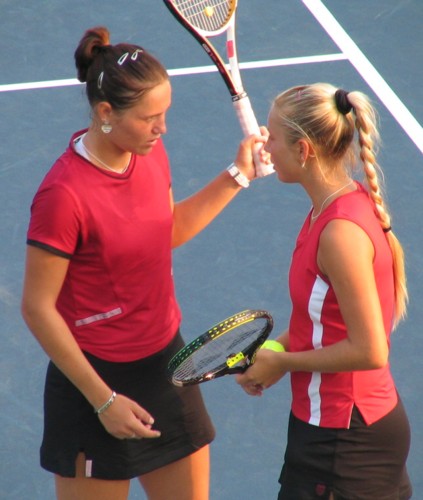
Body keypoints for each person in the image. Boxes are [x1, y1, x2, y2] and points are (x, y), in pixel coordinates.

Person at [21, 26, 266, 500]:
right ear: (106, 113)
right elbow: (37, 308)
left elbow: (166, 231)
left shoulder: (149, 155)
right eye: (150, 117)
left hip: (165, 368)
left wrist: (238, 175)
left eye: (165, 114)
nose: (163, 128)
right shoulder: (63, 196)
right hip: (93, 379)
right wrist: (103, 400)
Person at [236, 83, 412, 499]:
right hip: (338, 431)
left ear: (303, 150)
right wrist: (276, 352)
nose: (266, 144)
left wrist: (284, 363)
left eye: (273, 136)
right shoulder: (332, 207)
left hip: (345, 441)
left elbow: (371, 350)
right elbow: (323, 320)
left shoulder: (339, 233)